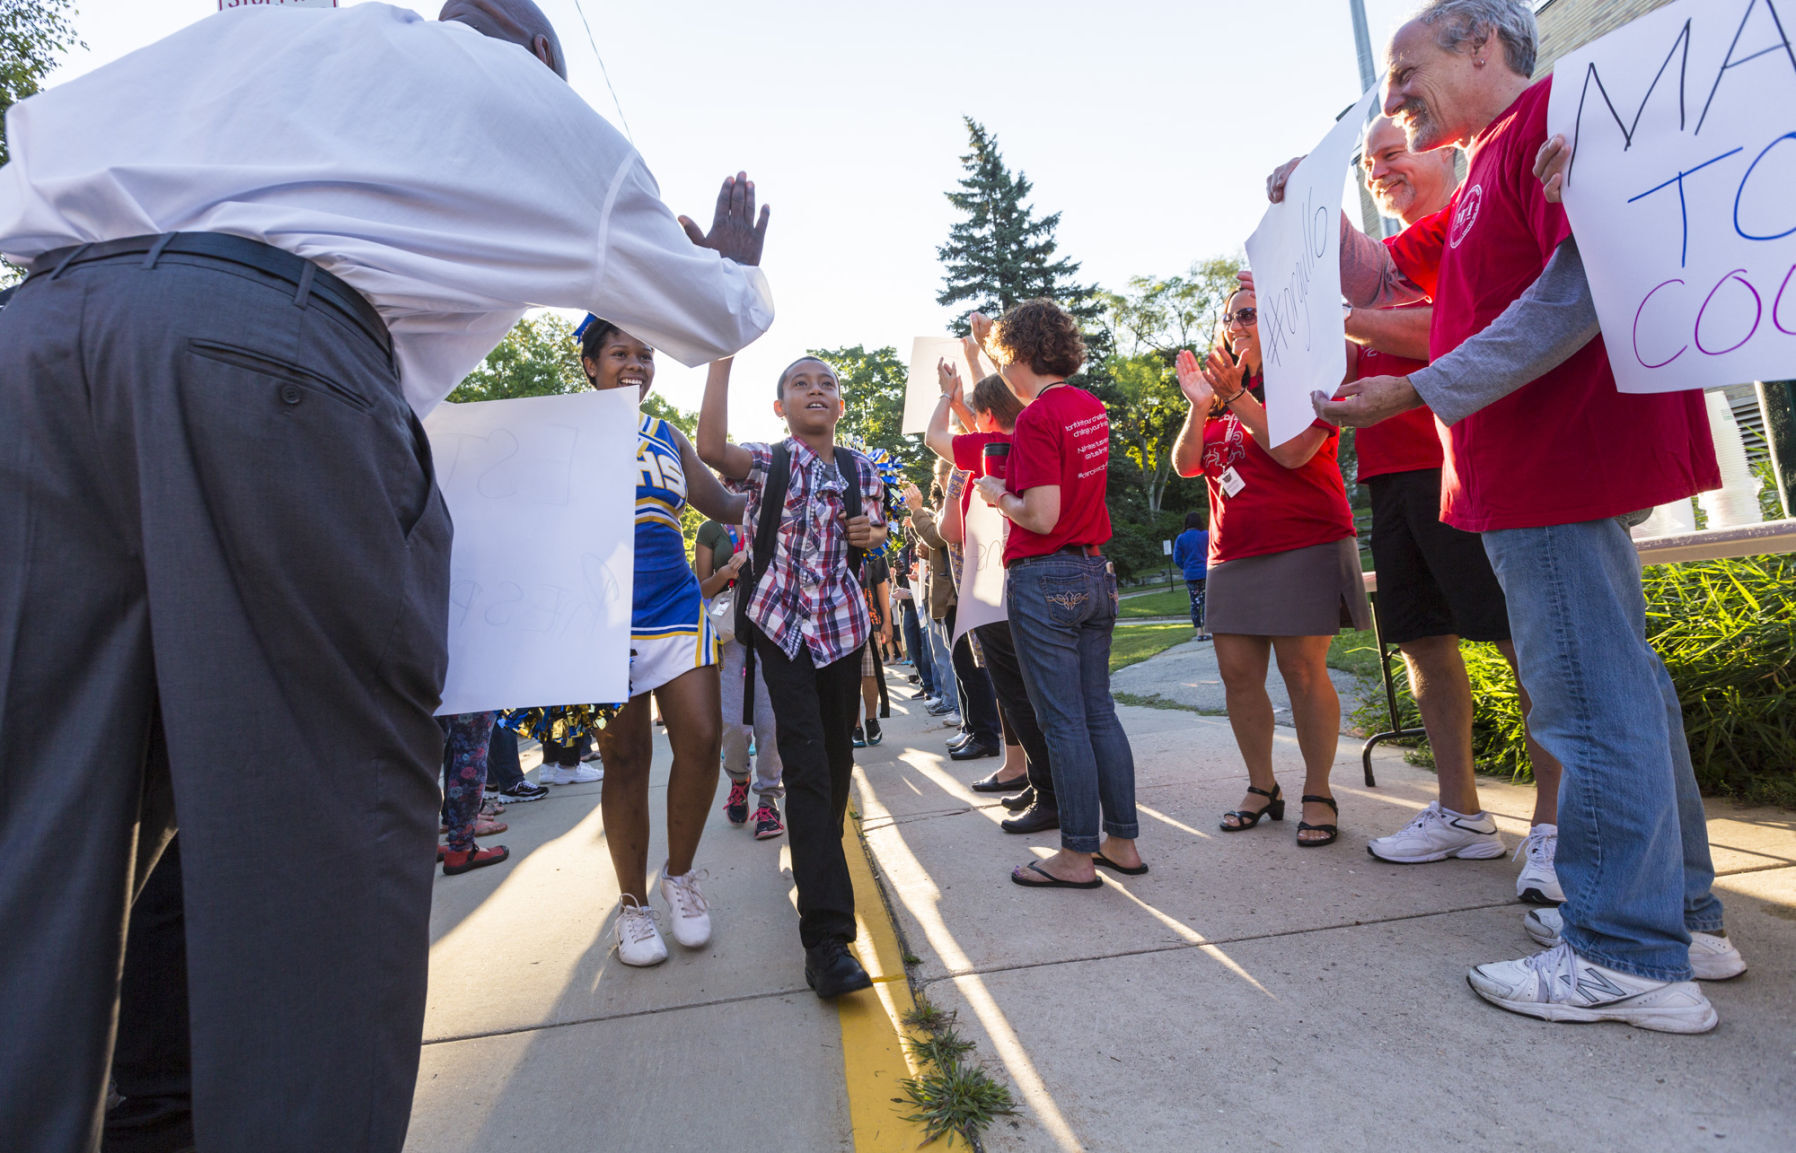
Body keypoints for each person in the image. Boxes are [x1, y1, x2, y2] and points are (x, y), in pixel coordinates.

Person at [0, 2, 774, 1146]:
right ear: (541, 61)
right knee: (318, 817)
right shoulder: (520, 101)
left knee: (45, 821)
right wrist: (735, 271)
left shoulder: (270, 44)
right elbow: (712, 313)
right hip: (264, 368)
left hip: (41, 346)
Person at [1291, 0, 1737, 1031]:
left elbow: (1577, 290)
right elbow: (1407, 280)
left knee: (1583, 703)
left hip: (1548, 466)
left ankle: (1621, 950)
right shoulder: (1498, 152)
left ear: (1479, 45)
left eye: (1406, 71)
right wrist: (1315, 219)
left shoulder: (1543, 130)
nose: (1394, 100)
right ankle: (1678, 918)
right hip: (1535, 467)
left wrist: (1419, 389)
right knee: (1624, 693)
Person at [1345, 113, 1566, 895]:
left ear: (1441, 150)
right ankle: (1462, 811)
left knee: (1519, 641)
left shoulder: (1465, 221)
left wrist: (1343, 320)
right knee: (1422, 643)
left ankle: (1554, 824)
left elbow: (1453, 332)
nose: (1379, 170)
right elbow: (1361, 290)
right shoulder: (1396, 252)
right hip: (1392, 472)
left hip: (1462, 463)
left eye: (1392, 152)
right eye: (1369, 163)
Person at [696, 354, 887, 999]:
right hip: (782, 628)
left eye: (826, 383)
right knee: (806, 765)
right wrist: (721, 359)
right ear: (780, 407)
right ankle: (827, 940)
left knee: (834, 767)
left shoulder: (863, 470)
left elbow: (872, 538)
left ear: (839, 404)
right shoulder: (768, 462)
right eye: (800, 384)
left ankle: (820, 867)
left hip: (840, 629)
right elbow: (711, 447)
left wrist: (870, 533)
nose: (815, 390)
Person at [1169, 287, 1369, 847]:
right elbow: (1187, 466)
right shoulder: (1220, 388)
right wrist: (1199, 405)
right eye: (1230, 315)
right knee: (1237, 676)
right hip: (1230, 551)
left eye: (1249, 313)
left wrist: (1235, 399)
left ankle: (1319, 791)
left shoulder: (1308, 374)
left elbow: (1293, 451)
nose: (1236, 323)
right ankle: (1263, 787)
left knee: (1302, 672)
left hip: (1304, 540)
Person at [577, 318, 749, 967]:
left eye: (644, 353)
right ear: (591, 364)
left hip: (676, 603)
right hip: (603, 612)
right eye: (620, 352)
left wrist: (792, 475)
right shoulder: (563, 431)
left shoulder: (667, 435)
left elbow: (728, 506)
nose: (635, 363)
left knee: (703, 738)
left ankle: (679, 876)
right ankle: (632, 907)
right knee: (624, 757)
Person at [970, 300, 1144, 888]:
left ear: (1017, 356)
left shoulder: (1039, 417)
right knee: (1100, 714)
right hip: (1094, 572)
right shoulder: (1089, 407)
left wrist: (997, 493)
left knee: (1063, 722)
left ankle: (1075, 854)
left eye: (1002, 359)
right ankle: (1121, 842)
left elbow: (1041, 515)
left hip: (1046, 577)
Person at [929, 357, 1062, 832]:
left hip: (997, 586)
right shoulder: (1013, 439)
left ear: (986, 416)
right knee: (1023, 693)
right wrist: (968, 398)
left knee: (1017, 694)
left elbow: (933, 437)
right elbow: (980, 431)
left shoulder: (991, 444)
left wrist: (947, 397)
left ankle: (1050, 791)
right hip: (1016, 582)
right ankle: (1043, 781)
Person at [695, 516, 786, 840]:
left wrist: (755, 558)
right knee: (732, 722)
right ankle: (738, 780)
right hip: (729, 637)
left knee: (770, 722)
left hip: (770, 630)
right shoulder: (710, 529)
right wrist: (725, 573)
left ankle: (767, 800)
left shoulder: (769, 514)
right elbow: (700, 588)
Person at [852, 551, 891, 748]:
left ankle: (871, 719)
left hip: (870, 620)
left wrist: (888, 620)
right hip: (839, 623)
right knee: (848, 677)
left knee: (870, 673)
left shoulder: (873, 544)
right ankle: (854, 725)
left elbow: (881, 583)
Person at [1171, 510, 1210, 638]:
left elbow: (1177, 559)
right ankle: (1207, 629)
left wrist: (1186, 567)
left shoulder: (1181, 538)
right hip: (1205, 573)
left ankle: (1199, 632)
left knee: (1194, 603)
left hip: (1190, 575)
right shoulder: (1205, 535)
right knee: (1206, 602)